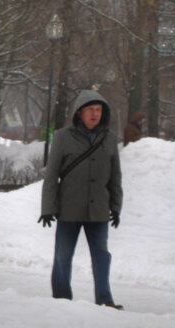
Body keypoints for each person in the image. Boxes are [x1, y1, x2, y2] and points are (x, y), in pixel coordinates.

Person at [39, 89, 124, 309]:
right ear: (79, 113)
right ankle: (61, 298)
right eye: (90, 110)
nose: (94, 114)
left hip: (99, 210)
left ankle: (105, 299)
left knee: (102, 256)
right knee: (63, 256)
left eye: (98, 110)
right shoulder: (62, 137)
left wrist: (116, 206)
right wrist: (47, 207)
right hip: (69, 208)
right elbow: (51, 175)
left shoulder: (110, 138)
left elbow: (115, 176)